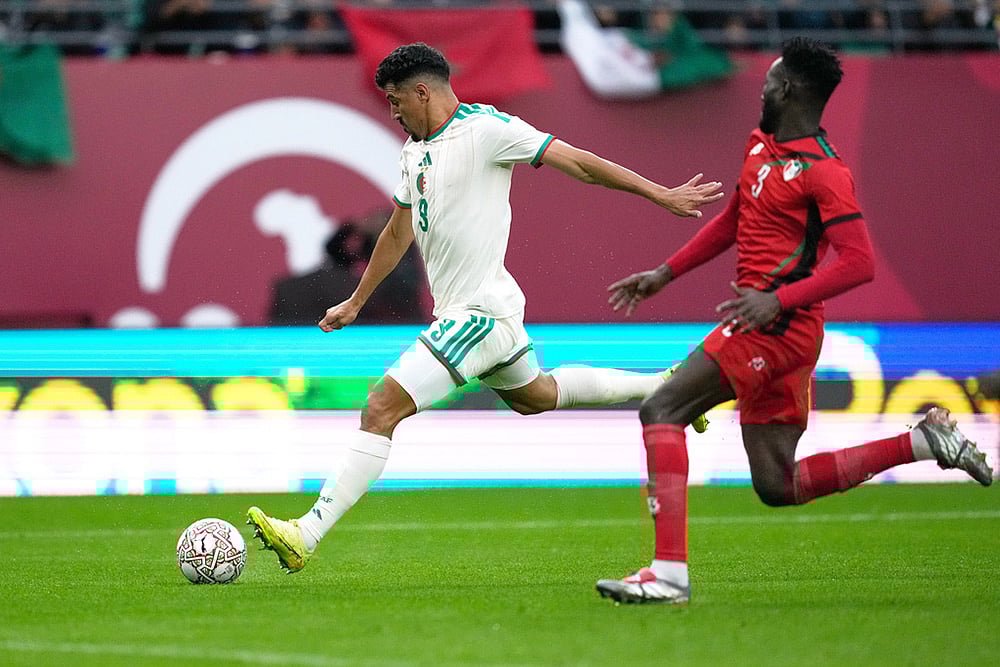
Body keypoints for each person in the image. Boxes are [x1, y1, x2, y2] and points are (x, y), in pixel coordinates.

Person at [246, 41, 722, 572]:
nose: (392, 112)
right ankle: (669, 386)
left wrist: (661, 194)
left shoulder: (488, 130)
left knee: (381, 406)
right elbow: (399, 229)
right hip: (488, 311)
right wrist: (357, 300)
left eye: (395, 101)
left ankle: (305, 534)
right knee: (536, 395)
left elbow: (579, 163)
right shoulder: (413, 152)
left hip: (476, 315)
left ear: (421, 92)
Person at [598, 37, 994, 605]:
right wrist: (667, 271)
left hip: (775, 327)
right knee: (778, 485)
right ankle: (922, 443)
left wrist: (777, 302)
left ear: (787, 90)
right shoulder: (761, 146)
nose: (761, 89)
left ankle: (668, 575)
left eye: (768, 82)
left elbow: (860, 262)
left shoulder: (824, 171)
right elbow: (737, 216)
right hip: (777, 329)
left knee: (662, 408)